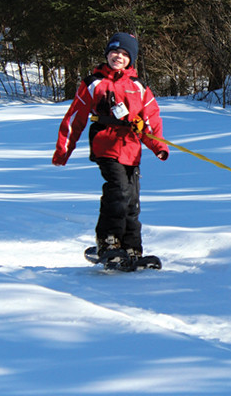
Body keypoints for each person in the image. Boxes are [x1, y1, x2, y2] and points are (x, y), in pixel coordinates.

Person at [52, 32, 169, 263]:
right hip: (106, 144)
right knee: (118, 191)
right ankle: (108, 241)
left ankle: (132, 248)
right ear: (107, 54)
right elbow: (75, 117)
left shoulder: (139, 87)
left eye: (125, 54)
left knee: (132, 199)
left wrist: (158, 146)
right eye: (115, 51)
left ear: (131, 59)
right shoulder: (93, 83)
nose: (119, 56)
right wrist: (64, 150)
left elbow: (151, 120)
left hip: (131, 149)